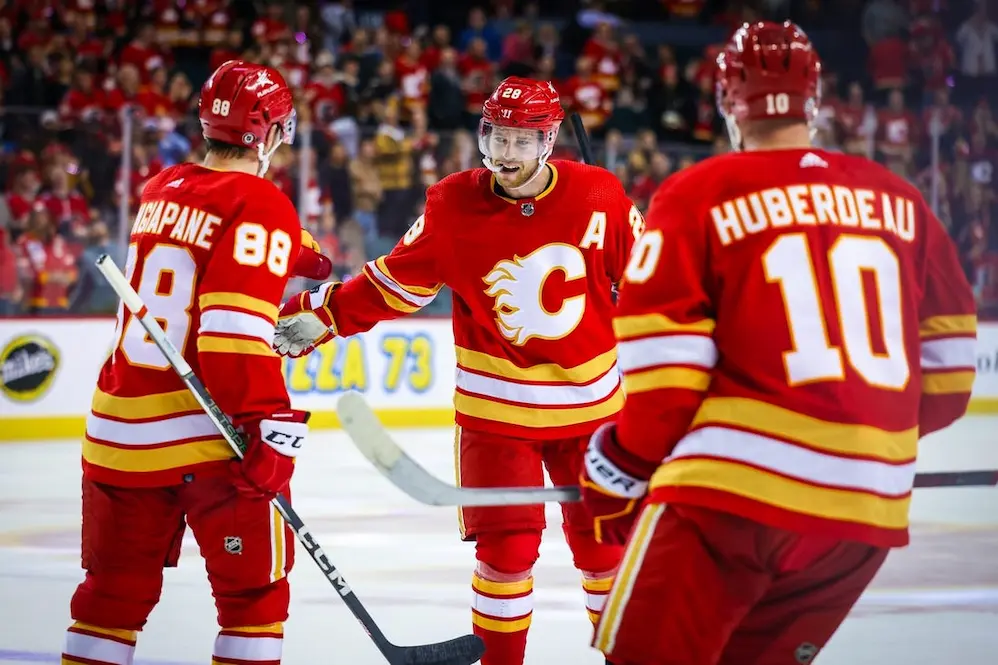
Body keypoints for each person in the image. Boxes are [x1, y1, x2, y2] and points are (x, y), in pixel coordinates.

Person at [577, 20, 979, 665]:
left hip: (730, 504)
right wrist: (858, 437)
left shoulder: (698, 192)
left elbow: (667, 376)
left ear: (727, 102)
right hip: (864, 515)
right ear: (814, 101)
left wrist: (618, 463)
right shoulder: (903, 200)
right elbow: (952, 375)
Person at [273, 77, 645, 665]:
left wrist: (641, 305)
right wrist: (323, 316)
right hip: (498, 418)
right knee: (506, 556)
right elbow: (394, 282)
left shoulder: (601, 194)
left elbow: (650, 280)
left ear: (549, 140)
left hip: (592, 413)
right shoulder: (453, 203)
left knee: (606, 553)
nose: (506, 153)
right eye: (497, 136)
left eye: (522, 140)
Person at [61, 60, 330, 665]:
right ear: (269, 132)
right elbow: (231, 336)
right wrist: (269, 424)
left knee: (109, 600)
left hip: (116, 435)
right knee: (254, 601)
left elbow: (208, 237)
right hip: (208, 438)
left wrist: (291, 244)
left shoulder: (162, 187)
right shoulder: (260, 202)